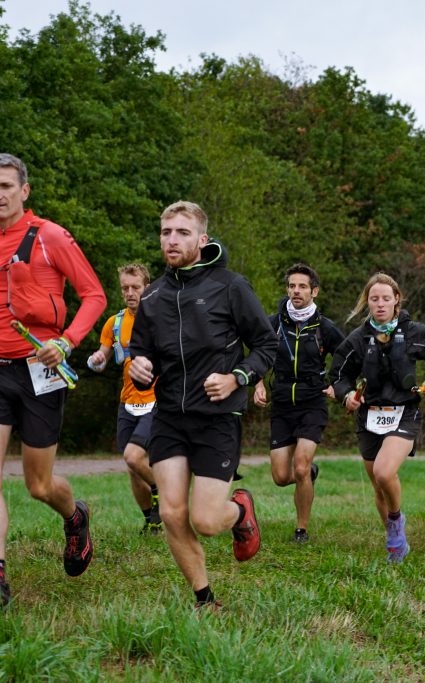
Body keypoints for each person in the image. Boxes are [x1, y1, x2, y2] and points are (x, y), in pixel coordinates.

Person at [0, 153, 107, 612]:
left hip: (42, 371)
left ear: (24, 191)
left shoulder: (49, 236)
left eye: (5, 187)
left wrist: (68, 341)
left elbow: (94, 295)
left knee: (39, 485)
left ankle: (75, 517)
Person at [128, 200, 277, 609]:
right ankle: (204, 599)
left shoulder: (230, 286)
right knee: (174, 515)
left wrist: (236, 378)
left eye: (182, 232)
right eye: (165, 232)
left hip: (216, 417)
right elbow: (141, 351)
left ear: (202, 239)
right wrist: (139, 365)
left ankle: (240, 511)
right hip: (169, 418)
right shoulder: (154, 295)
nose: (172, 240)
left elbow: (267, 345)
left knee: (207, 521)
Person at [328, 273, 425, 564]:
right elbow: (338, 375)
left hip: (405, 412)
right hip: (369, 416)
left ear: (397, 300)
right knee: (379, 485)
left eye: (386, 298)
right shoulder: (358, 339)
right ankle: (396, 540)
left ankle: (396, 523)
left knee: (384, 472)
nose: (380, 304)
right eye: (374, 299)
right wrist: (346, 395)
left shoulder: (412, 332)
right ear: (366, 302)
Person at [253, 264, 345, 544]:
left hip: (312, 403)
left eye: (302, 286)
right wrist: (257, 383)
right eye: (292, 286)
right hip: (282, 404)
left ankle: (301, 530)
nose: (296, 291)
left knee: (301, 467)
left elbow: (346, 358)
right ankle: (309, 475)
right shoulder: (273, 323)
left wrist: (336, 384)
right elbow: (258, 354)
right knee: (282, 477)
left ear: (314, 291)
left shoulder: (324, 327)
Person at [88, 263, 162, 535]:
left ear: (147, 287)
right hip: (127, 402)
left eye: (136, 288)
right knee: (133, 468)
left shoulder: (160, 318)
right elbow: (102, 357)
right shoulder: (115, 323)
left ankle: (160, 491)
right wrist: (96, 359)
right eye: (125, 288)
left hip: (156, 400)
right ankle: (151, 520)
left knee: (134, 457)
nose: (130, 293)